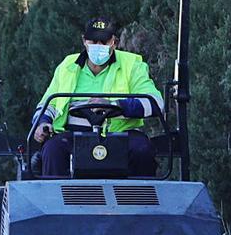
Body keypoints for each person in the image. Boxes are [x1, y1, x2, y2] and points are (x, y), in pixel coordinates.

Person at [32, 17, 163, 177]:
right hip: (74, 136)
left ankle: (141, 198)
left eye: (104, 41)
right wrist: (42, 123)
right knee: (53, 149)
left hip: (120, 135)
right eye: (93, 41)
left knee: (142, 150)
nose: (98, 46)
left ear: (114, 42)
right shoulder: (68, 65)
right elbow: (48, 104)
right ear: (84, 41)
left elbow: (155, 103)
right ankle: (53, 200)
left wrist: (115, 104)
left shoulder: (132, 65)